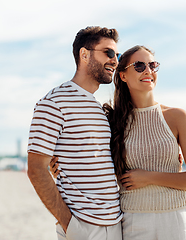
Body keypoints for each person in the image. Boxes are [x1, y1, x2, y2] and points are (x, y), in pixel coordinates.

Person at [27, 26, 123, 240]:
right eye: (108, 52)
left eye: (117, 54)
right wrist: (70, 225)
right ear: (84, 54)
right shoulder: (54, 102)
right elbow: (36, 169)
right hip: (83, 227)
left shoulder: (97, 107)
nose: (115, 60)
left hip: (115, 223)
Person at [104, 45, 186, 240]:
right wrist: (56, 164)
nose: (149, 71)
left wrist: (149, 177)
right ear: (123, 75)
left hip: (176, 219)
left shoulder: (177, 117)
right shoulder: (112, 122)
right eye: (140, 66)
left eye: (152, 65)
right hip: (133, 220)